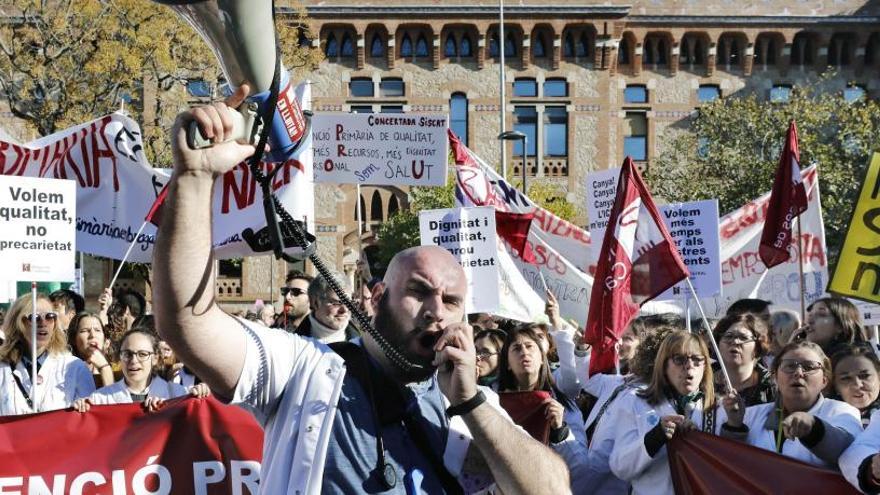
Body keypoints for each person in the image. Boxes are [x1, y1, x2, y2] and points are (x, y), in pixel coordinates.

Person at [152, 89, 570, 494]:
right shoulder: (306, 370)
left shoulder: (464, 403)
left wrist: (471, 403)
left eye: (451, 301)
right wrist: (194, 177)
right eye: (419, 291)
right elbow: (190, 322)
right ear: (374, 297)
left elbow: (552, 490)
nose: (435, 311)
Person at [609, 331, 720, 495]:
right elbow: (620, 468)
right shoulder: (636, 402)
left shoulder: (717, 409)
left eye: (697, 360)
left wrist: (734, 426)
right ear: (664, 365)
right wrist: (655, 437)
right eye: (679, 359)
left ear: (705, 367)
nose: (689, 366)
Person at [721, 341, 861, 469]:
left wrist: (813, 428)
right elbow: (728, 466)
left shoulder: (843, 412)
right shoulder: (749, 416)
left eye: (809, 367)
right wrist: (734, 427)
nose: (798, 373)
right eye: (790, 366)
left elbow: (847, 451)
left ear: (824, 380)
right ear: (775, 377)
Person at [495, 323, 588, 491]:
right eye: (516, 348)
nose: (524, 352)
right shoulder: (494, 402)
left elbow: (580, 469)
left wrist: (560, 432)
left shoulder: (562, 403)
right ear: (507, 363)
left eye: (530, 346)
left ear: (541, 357)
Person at [0, 293, 94, 414]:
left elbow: (88, 421)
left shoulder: (75, 367)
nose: (43, 323)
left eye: (50, 317)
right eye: (35, 318)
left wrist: (81, 407)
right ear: (19, 323)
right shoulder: (3, 369)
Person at [73, 328, 209, 412]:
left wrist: (203, 396)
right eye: (127, 354)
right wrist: (81, 409)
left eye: (142, 354)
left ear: (155, 358)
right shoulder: (100, 399)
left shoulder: (177, 394)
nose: (134, 360)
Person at [712, 313, 775, 406]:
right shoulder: (704, 382)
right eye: (729, 336)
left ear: (757, 347)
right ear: (717, 344)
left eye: (743, 337)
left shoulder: (773, 386)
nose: (735, 342)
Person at [296, 274, 359, 344]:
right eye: (336, 303)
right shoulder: (291, 343)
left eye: (348, 302)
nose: (345, 310)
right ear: (315, 303)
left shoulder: (364, 342)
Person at [795, 297, 865, 355]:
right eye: (809, 315)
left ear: (841, 326)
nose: (809, 321)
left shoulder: (853, 359)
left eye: (821, 314)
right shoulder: (807, 355)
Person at [831, 344, 880, 426]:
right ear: (836, 386)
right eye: (846, 378)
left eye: (865, 376)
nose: (857, 384)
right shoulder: (825, 420)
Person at [67, 311, 116, 388]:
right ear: (73, 339)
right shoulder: (64, 372)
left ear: (105, 340)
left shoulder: (118, 372)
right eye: (84, 331)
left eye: (97, 330)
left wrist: (105, 369)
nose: (93, 335)